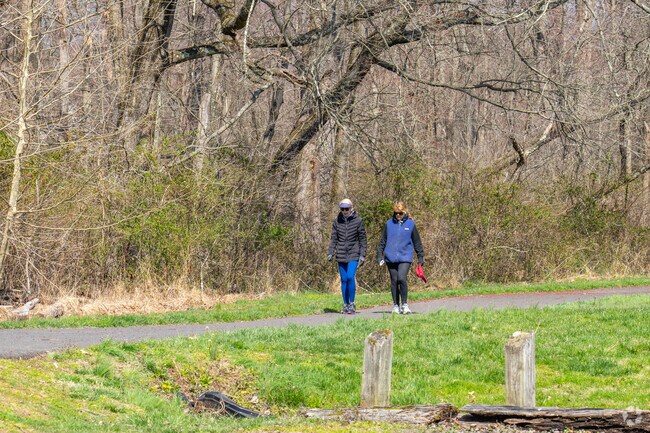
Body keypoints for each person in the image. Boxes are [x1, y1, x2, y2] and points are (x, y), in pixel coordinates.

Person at [377, 201, 424, 315]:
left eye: (400, 213)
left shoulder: (411, 224)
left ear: (405, 212)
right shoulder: (388, 224)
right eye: (396, 213)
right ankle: (395, 306)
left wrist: (420, 257)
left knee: (401, 278)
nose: (398, 215)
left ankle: (404, 304)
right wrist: (379, 256)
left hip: (405, 256)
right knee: (394, 281)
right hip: (390, 257)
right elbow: (382, 241)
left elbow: (417, 242)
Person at [327, 198, 367, 314]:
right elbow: (333, 238)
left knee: (350, 277)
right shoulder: (337, 222)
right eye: (342, 209)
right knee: (344, 279)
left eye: (347, 209)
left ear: (351, 208)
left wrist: (362, 255)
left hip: (354, 253)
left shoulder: (358, 221)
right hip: (341, 254)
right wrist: (330, 252)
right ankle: (346, 304)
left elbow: (362, 239)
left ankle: (352, 303)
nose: (344, 211)